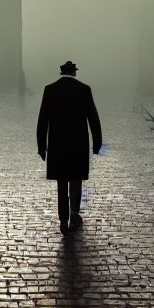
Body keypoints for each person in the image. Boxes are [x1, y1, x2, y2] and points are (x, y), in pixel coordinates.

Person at [36, 60, 102, 235]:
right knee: (76, 180)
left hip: (57, 146)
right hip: (78, 145)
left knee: (62, 183)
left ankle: (63, 220)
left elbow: (42, 120)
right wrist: (97, 143)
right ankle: (74, 214)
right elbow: (93, 118)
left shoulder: (50, 89)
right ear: (74, 73)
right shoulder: (84, 89)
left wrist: (41, 146)